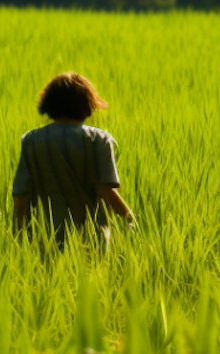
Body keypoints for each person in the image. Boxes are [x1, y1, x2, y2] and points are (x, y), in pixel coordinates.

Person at [11, 72, 135, 245]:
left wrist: (17, 235)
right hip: (92, 240)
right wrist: (129, 218)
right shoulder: (99, 139)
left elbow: (21, 195)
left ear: (49, 103)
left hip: (44, 241)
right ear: (87, 104)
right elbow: (105, 190)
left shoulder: (31, 140)